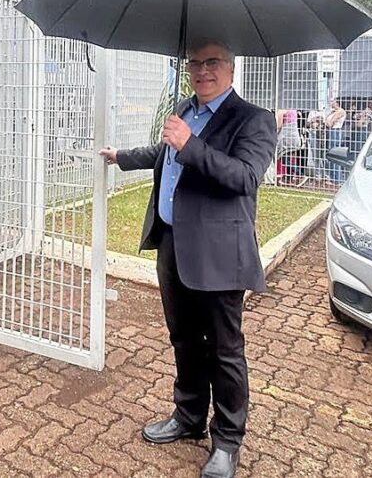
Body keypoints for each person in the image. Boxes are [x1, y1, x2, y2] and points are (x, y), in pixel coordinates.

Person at [99, 41, 276, 478]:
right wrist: (121, 157)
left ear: (230, 69)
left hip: (218, 255)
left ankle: (228, 441)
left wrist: (191, 143)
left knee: (224, 350)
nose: (201, 70)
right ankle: (189, 416)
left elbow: (244, 178)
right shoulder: (185, 109)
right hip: (173, 243)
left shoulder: (254, 119)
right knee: (183, 339)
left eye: (212, 62)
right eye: (195, 63)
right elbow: (166, 156)